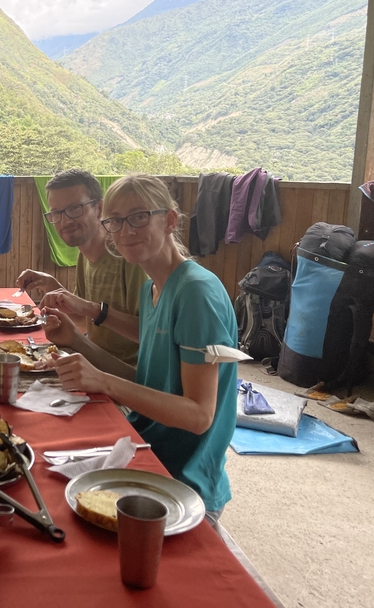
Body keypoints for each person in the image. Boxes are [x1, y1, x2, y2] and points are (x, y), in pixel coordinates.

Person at [47, 174, 237, 516]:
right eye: (116, 222)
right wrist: (75, 341)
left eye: (139, 217)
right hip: (145, 447)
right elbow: (147, 383)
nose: (125, 231)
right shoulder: (151, 289)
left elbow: (198, 416)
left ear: (170, 220)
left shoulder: (197, 292)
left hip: (182, 481)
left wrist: (104, 382)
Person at [16, 169, 146, 366]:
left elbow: (147, 333)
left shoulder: (129, 257)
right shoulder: (84, 256)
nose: (66, 221)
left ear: (99, 208)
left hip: (127, 377)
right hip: (93, 362)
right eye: (57, 213)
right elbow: (82, 319)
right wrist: (52, 285)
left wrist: (90, 309)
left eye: (75, 208)